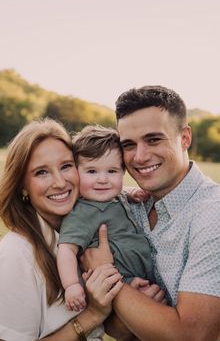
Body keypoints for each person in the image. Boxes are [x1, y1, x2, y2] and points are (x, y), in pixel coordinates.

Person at [81, 85, 220, 340]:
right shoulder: (127, 205)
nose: (140, 156)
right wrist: (135, 308)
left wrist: (108, 277)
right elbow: (116, 328)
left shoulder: (213, 215)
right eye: (129, 145)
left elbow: (191, 336)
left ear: (185, 138)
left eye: (154, 139)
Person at [0, 118, 124, 341]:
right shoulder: (16, 256)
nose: (59, 182)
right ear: (23, 187)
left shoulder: (80, 241)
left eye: (66, 166)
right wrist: (92, 315)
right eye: (41, 172)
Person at [57, 125, 154, 312]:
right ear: (76, 172)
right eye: (92, 171)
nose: (103, 179)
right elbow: (66, 249)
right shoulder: (82, 212)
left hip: (142, 276)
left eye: (112, 171)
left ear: (122, 172)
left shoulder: (114, 195)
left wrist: (130, 192)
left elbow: (118, 190)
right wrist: (71, 285)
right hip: (115, 282)